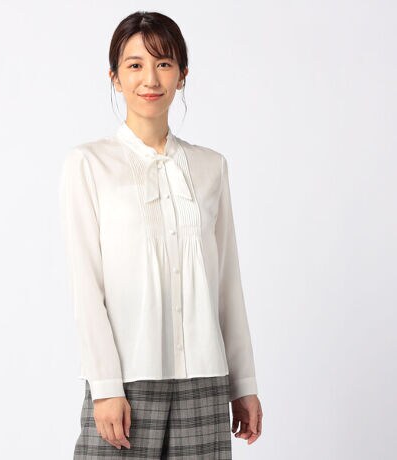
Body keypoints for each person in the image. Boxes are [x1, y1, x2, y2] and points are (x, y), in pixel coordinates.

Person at [59, 10, 263, 459]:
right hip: (127, 382)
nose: (150, 78)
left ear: (182, 75)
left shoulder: (211, 167)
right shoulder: (89, 164)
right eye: (135, 65)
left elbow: (227, 284)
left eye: (164, 63)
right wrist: (105, 385)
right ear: (115, 78)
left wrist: (243, 382)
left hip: (205, 382)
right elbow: (86, 286)